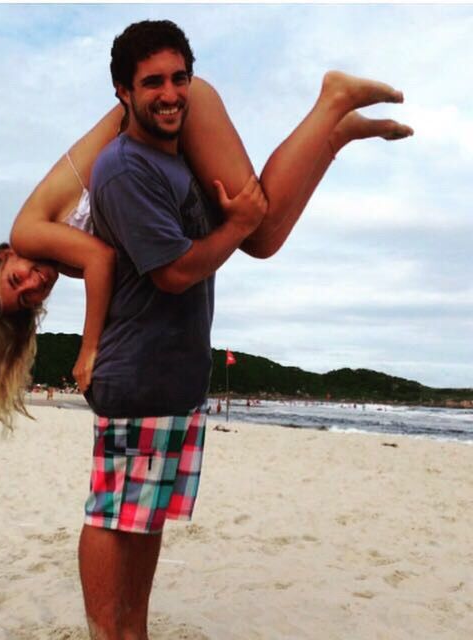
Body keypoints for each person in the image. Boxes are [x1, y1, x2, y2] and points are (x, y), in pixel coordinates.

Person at [76, 20, 412, 638]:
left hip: (172, 382)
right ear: (123, 92)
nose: (171, 93)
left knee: (142, 520)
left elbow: (240, 230)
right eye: (153, 83)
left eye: (181, 78)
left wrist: (238, 223)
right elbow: (174, 274)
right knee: (111, 516)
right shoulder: (124, 169)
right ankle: (108, 632)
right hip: (138, 381)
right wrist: (232, 228)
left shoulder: (174, 160)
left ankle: (131, 630)